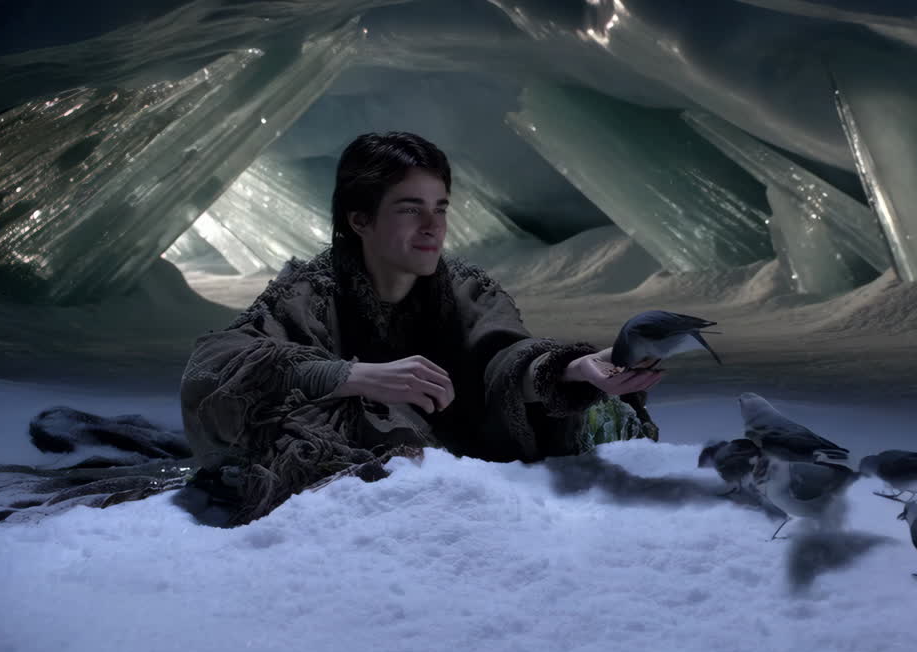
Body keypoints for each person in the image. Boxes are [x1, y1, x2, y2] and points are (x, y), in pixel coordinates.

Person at [179, 132, 664, 525]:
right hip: (388, 471)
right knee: (347, 424)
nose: (433, 226)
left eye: (442, 208)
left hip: (468, 463)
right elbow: (216, 365)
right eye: (411, 208)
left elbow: (500, 356)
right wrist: (350, 375)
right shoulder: (311, 293)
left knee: (596, 418)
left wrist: (575, 368)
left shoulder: (468, 291)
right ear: (360, 219)